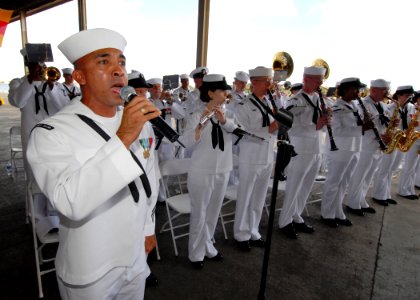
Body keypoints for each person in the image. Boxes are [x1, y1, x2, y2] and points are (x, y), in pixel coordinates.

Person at [26, 28, 160, 299]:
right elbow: (69, 201)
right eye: (103, 62)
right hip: (91, 268)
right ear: (80, 77)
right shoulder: (52, 131)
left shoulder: (138, 122)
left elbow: (149, 179)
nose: (118, 70)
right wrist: (123, 137)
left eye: (121, 62)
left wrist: (148, 228)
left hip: (135, 256)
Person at [8, 43, 70, 236]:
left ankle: (54, 213)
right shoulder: (17, 83)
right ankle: (35, 215)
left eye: (42, 64)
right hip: (32, 135)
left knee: (54, 172)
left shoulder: (55, 84)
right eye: (37, 64)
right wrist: (30, 81)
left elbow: (63, 107)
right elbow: (18, 101)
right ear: (29, 65)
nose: (41, 68)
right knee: (33, 174)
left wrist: (50, 87)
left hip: (53, 136)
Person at [180, 74, 237, 269]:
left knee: (213, 212)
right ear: (211, 92)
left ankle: (208, 246)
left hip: (223, 168)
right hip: (201, 170)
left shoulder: (229, 114)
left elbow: (237, 133)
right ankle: (195, 254)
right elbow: (186, 142)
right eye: (222, 90)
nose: (226, 93)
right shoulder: (196, 114)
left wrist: (223, 121)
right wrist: (203, 121)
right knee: (199, 213)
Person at [278, 66, 329, 238]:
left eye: (321, 80)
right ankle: (285, 221)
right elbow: (287, 123)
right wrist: (316, 124)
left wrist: (325, 119)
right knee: (294, 186)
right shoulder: (296, 100)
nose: (320, 84)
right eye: (318, 80)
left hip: (315, 148)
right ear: (306, 79)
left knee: (306, 185)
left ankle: (296, 215)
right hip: (300, 148)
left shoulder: (318, 98)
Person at [234, 66, 280, 250]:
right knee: (245, 197)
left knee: (259, 198)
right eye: (267, 80)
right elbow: (242, 131)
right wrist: (269, 129)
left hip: (267, 155)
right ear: (254, 82)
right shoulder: (243, 105)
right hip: (251, 156)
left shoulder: (270, 102)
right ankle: (241, 234)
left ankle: (253, 231)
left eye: (270, 80)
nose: (271, 84)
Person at [320, 78, 365, 228]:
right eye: (354, 89)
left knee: (344, 183)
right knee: (334, 181)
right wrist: (361, 127)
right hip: (341, 149)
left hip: (354, 147)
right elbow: (336, 129)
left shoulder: (355, 105)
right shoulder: (337, 107)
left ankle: (338, 211)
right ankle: (327, 213)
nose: (357, 93)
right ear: (345, 90)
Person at [345, 79, 391, 215]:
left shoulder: (382, 105)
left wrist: (388, 131)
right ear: (374, 90)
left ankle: (361, 200)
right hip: (365, 144)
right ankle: (352, 203)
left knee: (369, 175)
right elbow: (358, 125)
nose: (387, 93)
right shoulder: (362, 104)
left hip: (378, 145)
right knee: (359, 175)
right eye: (385, 91)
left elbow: (383, 123)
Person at [371, 85, 414, 206]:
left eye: (410, 96)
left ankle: (385, 194)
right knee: (384, 169)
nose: (409, 99)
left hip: (400, 140)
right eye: (406, 96)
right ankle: (378, 194)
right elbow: (383, 125)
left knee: (391, 169)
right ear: (399, 95)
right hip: (390, 139)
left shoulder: (408, 108)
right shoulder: (390, 107)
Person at [396, 87, 419, 200]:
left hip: (416, 140)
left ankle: (409, 189)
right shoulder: (413, 108)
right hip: (412, 140)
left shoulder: (413, 108)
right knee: (408, 166)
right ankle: (403, 190)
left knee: (414, 167)